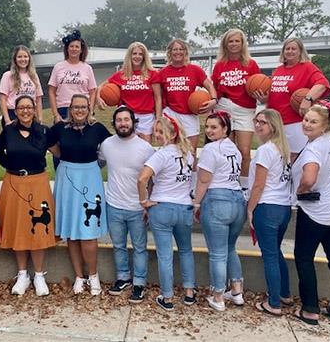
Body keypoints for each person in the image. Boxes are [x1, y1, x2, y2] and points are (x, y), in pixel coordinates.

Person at [291, 103, 330, 325]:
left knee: (304, 257)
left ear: (325, 125)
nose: (307, 124)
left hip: (315, 212)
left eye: (313, 121)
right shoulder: (329, 143)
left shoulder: (314, 149)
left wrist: (301, 189)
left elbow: (309, 177)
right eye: (306, 119)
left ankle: (310, 309)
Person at [50, 94, 111, 295]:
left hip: (90, 177)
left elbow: (111, 148)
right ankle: (79, 276)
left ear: (89, 108)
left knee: (88, 232)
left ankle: (93, 276)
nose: (79, 110)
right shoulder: (60, 128)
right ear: (70, 108)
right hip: (67, 178)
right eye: (75, 107)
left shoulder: (98, 129)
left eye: (83, 107)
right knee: (71, 232)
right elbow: (50, 145)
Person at [0, 95, 57, 296]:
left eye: (29, 107)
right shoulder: (7, 131)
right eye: (21, 107)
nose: (25, 111)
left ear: (34, 109)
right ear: (15, 110)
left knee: (38, 229)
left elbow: (58, 152)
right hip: (14, 183)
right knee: (18, 227)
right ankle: (23, 274)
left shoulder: (43, 131)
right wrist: (12, 168)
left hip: (37, 182)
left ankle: (39, 275)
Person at [137, 116, 196, 311]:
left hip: (163, 207)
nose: (156, 135)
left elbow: (142, 179)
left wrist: (144, 201)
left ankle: (168, 296)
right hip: (184, 207)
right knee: (186, 250)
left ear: (172, 133)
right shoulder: (188, 154)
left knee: (165, 254)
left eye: (161, 132)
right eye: (156, 131)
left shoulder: (161, 155)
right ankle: (189, 292)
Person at [99, 106, 155, 303]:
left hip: (137, 207)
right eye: (119, 120)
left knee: (139, 247)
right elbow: (98, 164)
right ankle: (123, 278)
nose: (123, 123)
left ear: (133, 122)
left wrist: (148, 203)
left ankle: (139, 283)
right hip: (113, 204)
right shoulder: (106, 145)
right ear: (114, 123)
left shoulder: (145, 148)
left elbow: (153, 179)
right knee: (118, 246)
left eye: (126, 119)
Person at [193, 111, 246, 312]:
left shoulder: (210, 149)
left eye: (214, 127)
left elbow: (204, 180)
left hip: (218, 200)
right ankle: (237, 291)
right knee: (230, 248)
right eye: (207, 127)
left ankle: (217, 296)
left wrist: (196, 204)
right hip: (237, 199)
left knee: (217, 253)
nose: (209, 130)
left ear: (225, 129)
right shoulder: (235, 149)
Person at [247, 109, 293, 316]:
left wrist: (250, 208)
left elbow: (259, 185)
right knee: (276, 252)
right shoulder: (282, 149)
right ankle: (284, 293)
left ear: (273, 126)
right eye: (256, 121)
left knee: (270, 256)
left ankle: (274, 303)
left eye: (262, 123)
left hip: (267, 207)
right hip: (283, 207)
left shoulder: (266, 150)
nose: (257, 125)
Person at [263, 38, 330, 160]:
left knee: (295, 158)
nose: (290, 51)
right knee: (275, 158)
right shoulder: (278, 70)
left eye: (294, 49)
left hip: (295, 122)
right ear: (283, 52)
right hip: (275, 122)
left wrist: (308, 99)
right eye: (287, 49)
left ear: (300, 51)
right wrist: (264, 99)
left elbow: (322, 84)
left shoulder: (307, 67)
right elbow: (277, 94)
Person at [212, 29, 261, 184]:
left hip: (245, 109)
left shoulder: (251, 64)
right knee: (226, 150)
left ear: (242, 43)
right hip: (224, 106)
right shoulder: (220, 65)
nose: (233, 44)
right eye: (230, 41)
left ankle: (244, 185)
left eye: (236, 41)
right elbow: (215, 88)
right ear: (225, 44)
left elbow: (259, 87)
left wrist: (262, 96)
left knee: (244, 152)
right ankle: (227, 182)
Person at [158, 39, 217, 160]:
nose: (178, 52)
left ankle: (190, 178)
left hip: (189, 114)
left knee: (191, 153)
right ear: (169, 52)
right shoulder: (162, 72)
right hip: (170, 113)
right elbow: (157, 97)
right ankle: (170, 178)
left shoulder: (195, 70)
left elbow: (210, 86)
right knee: (169, 151)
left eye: (181, 49)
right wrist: (158, 118)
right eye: (175, 49)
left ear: (185, 52)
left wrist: (214, 100)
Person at [98, 42, 161, 143]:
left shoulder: (152, 74)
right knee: (127, 146)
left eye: (140, 54)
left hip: (146, 117)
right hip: (127, 116)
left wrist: (158, 119)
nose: (137, 56)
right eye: (134, 53)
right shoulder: (121, 74)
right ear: (129, 56)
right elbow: (100, 86)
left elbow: (158, 99)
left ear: (145, 57)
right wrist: (98, 98)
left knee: (144, 150)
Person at [49, 29, 97, 123]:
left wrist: (90, 111)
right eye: (71, 46)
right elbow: (51, 91)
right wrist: (56, 114)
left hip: (82, 109)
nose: (74, 49)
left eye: (77, 47)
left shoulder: (87, 68)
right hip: (63, 109)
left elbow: (93, 91)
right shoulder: (58, 67)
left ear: (81, 50)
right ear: (67, 48)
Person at [0, 45, 44, 125]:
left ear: (29, 58)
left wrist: (39, 118)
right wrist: (7, 120)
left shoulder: (34, 76)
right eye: (19, 57)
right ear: (15, 59)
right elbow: (2, 99)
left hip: (30, 114)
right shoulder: (8, 75)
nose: (23, 59)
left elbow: (38, 99)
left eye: (25, 56)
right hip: (13, 114)